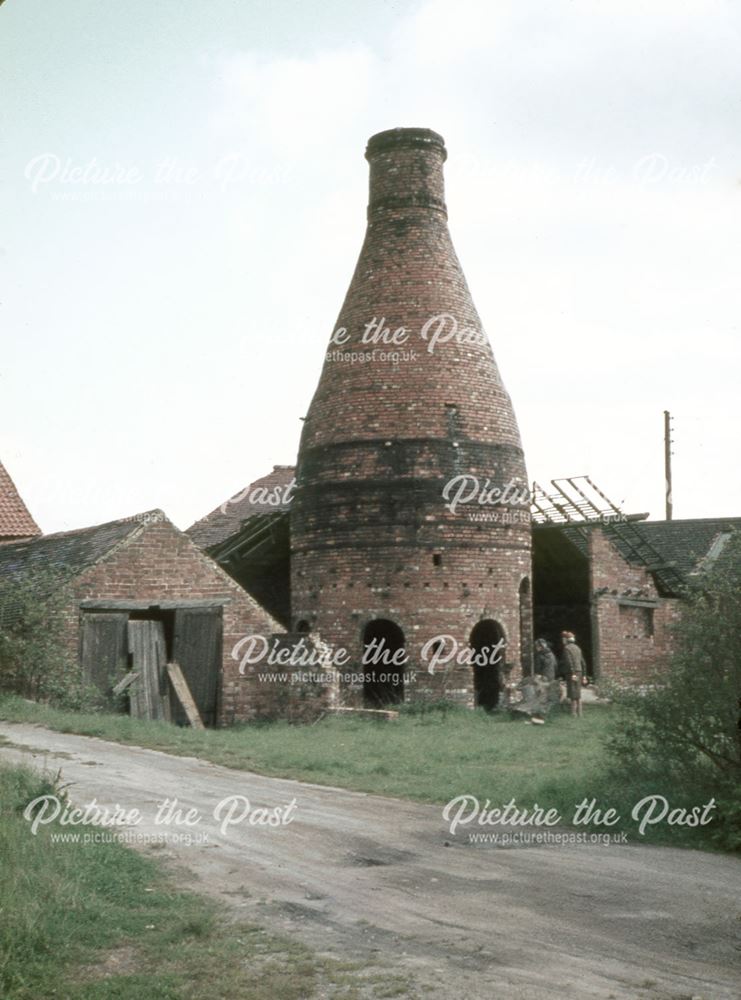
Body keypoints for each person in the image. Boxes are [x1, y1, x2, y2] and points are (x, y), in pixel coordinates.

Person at [560, 631, 588, 718]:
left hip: (572, 673)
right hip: (579, 672)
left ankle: (573, 713)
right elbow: (583, 663)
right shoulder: (578, 648)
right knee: (578, 693)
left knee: (573, 693)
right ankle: (580, 713)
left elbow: (569, 662)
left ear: (566, 640)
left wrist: (572, 673)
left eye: (564, 639)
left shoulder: (567, 648)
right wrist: (584, 675)